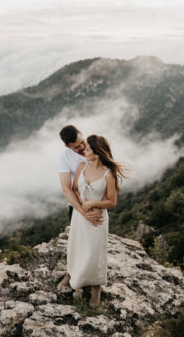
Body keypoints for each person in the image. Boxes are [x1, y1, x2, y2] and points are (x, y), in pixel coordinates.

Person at [58, 134, 128, 307]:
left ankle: (96, 288)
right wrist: (83, 206)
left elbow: (112, 202)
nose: (84, 151)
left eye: (87, 149)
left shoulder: (109, 175)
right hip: (79, 216)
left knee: (95, 252)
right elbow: (74, 189)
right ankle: (71, 274)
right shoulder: (82, 166)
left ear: (96, 153)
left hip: (98, 219)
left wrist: (94, 204)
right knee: (76, 245)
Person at [58, 125, 103, 224]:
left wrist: (99, 205)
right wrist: (84, 213)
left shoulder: (97, 146)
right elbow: (66, 188)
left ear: (81, 134)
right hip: (77, 206)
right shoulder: (65, 157)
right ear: (68, 146)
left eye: (82, 142)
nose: (82, 147)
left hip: (99, 204)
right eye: (77, 147)